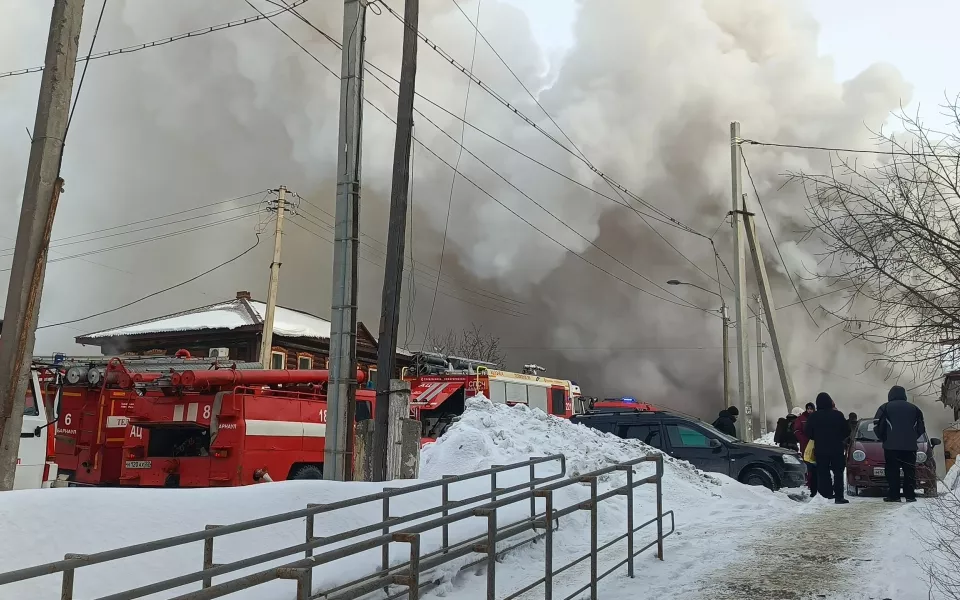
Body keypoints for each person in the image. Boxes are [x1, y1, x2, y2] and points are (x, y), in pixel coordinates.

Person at [874, 386, 926, 503]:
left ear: (890, 395)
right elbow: (921, 428)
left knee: (892, 471)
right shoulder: (915, 409)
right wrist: (912, 438)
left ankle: (894, 495)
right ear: (904, 395)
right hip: (910, 447)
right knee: (909, 471)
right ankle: (910, 495)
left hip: (891, 447)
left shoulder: (884, 407)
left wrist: (884, 439)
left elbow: (877, 425)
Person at [805, 392, 851, 504]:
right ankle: (839, 497)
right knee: (838, 473)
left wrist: (817, 436)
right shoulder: (838, 415)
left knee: (823, 472)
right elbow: (847, 431)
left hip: (821, 448)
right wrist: (839, 437)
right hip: (837, 448)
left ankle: (826, 494)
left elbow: (808, 432)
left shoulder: (814, 416)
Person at [794, 402, 817, 496]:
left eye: (811, 409)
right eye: (808, 409)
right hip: (806, 445)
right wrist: (804, 440)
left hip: (816, 445)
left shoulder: (817, 417)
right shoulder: (801, 419)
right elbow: (797, 430)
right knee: (807, 463)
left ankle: (815, 483)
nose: (809, 410)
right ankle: (808, 481)